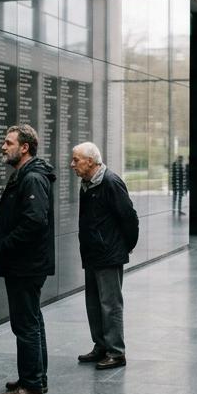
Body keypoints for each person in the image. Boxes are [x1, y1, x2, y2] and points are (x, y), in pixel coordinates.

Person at [0, 124, 55, 394]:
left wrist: (3, 246)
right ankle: (35, 377)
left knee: (26, 323)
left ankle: (31, 384)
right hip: (27, 262)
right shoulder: (26, 176)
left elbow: (33, 221)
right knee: (31, 320)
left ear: (25, 147)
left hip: (26, 263)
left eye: (8, 143)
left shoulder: (31, 179)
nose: (3, 147)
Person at [70, 142, 139, 371]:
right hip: (92, 253)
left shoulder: (110, 182)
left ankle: (116, 352)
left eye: (76, 160)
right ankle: (100, 345)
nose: (72, 165)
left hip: (109, 254)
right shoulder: (87, 184)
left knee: (110, 304)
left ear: (90, 161)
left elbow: (129, 218)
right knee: (93, 303)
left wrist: (124, 247)